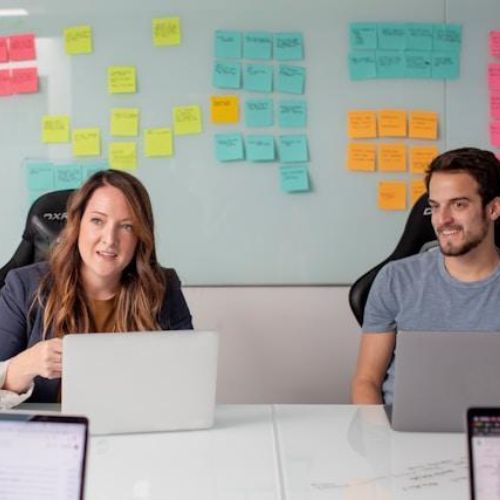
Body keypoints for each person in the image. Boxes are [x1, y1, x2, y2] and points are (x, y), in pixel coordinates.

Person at [0, 169, 193, 406]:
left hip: (135, 429)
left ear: (140, 237)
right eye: (97, 221)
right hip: (50, 433)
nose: (109, 239)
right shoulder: (23, 286)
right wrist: (26, 365)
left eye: (127, 226)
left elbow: (188, 378)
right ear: (76, 224)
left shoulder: (163, 287)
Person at [351, 147, 500, 404]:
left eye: (459, 204)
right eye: (435, 206)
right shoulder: (395, 280)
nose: (443, 220)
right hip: (404, 434)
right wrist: (379, 438)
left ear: (493, 209)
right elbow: (367, 382)